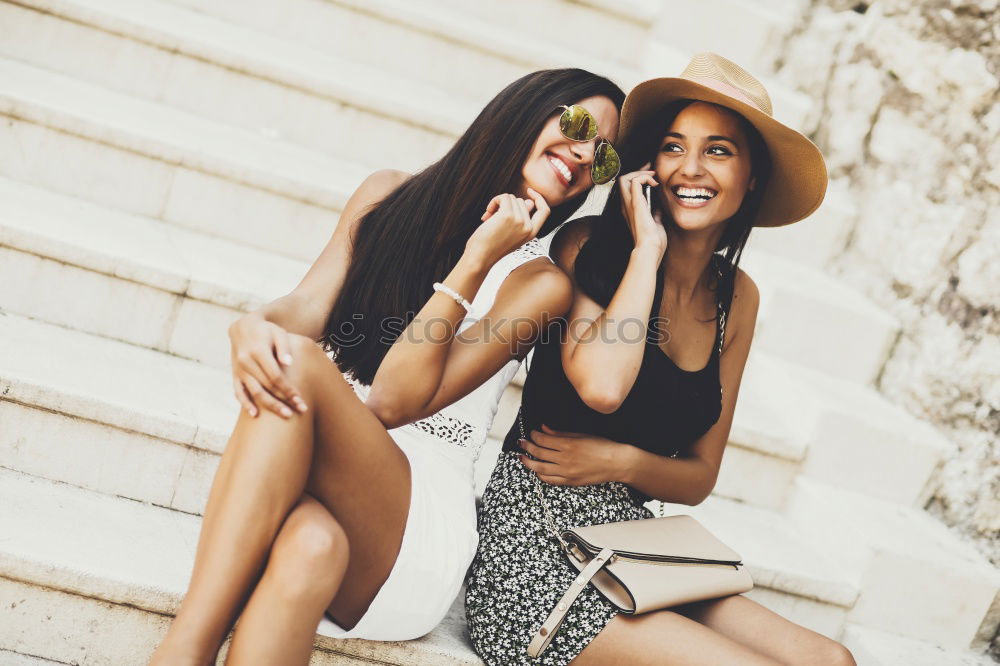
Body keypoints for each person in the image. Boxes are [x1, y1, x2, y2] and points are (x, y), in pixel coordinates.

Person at [149, 68, 625, 665]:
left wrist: (477, 258)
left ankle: (181, 654)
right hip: (323, 484)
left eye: (604, 157)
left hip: (415, 528)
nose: (584, 155)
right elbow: (306, 307)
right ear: (524, 109)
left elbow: (394, 401)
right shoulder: (386, 195)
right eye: (578, 125)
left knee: (299, 367)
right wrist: (255, 323)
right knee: (308, 546)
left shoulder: (538, 284)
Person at [465, 53, 856, 665]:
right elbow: (600, 386)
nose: (690, 168)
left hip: (635, 545)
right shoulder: (590, 245)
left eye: (719, 150)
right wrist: (647, 249)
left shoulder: (737, 297)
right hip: (533, 546)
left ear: (752, 177)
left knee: (831, 660)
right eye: (675, 147)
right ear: (651, 165)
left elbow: (699, 476)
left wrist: (620, 460)